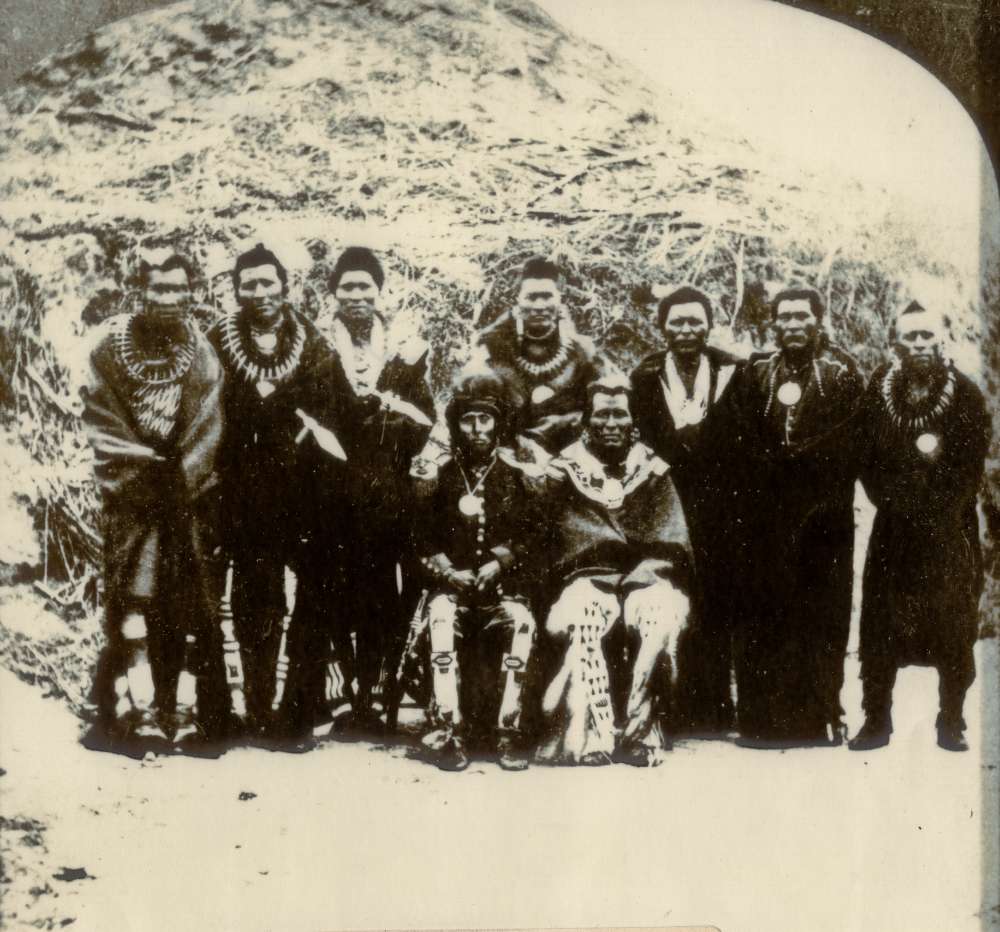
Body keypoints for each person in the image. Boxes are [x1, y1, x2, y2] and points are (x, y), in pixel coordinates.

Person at [208, 243, 355, 751]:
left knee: (312, 598)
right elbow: (209, 418)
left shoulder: (313, 346)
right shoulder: (217, 344)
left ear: (285, 287)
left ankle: (297, 712)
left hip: (304, 494)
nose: (260, 293)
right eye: (249, 284)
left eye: (268, 283)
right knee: (255, 598)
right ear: (236, 291)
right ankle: (256, 707)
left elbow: (336, 417)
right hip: (243, 496)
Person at [81, 250, 228, 755]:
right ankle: (136, 713)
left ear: (193, 293)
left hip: (187, 497)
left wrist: (181, 476)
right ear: (137, 291)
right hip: (133, 496)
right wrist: (143, 470)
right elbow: (102, 420)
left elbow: (207, 424)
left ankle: (184, 714)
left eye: (177, 289)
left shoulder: (202, 354)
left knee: (188, 605)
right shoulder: (107, 348)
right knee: (134, 603)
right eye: (157, 289)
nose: (167, 299)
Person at [849, 302, 989, 752]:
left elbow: (968, 468)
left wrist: (935, 512)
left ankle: (952, 722)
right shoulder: (878, 391)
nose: (920, 345)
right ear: (895, 344)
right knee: (881, 625)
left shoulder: (964, 395)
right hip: (894, 532)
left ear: (942, 340)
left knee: (952, 624)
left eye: (928, 336)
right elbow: (866, 459)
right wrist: (895, 502)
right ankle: (876, 720)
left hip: (949, 530)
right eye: (910, 338)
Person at [535, 376, 693, 767]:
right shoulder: (564, 470)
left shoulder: (652, 470)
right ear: (586, 420)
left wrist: (642, 576)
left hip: (646, 574)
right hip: (586, 574)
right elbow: (553, 538)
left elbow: (671, 538)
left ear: (632, 421)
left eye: (619, 414)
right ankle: (595, 735)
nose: (610, 423)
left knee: (659, 613)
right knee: (585, 614)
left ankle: (642, 733)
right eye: (601, 414)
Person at [731, 287, 864, 747]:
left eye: (802, 317)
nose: (792, 325)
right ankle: (762, 722)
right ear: (773, 323)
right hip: (767, 516)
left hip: (824, 517)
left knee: (822, 617)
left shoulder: (842, 372)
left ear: (818, 321)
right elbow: (740, 432)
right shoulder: (755, 371)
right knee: (767, 613)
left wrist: (801, 466)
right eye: (784, 317)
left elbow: (852, 440)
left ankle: (823, 715)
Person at [322, 246, 435, 733]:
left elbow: (425, 418)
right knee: (334, 589)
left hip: (388, 490)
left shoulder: (404, 352)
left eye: (364, 286)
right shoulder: (318, 347)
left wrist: (392, 413)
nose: (356, 296)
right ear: (333, 294)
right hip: (332, 488)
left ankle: (376, 688)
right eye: (347, 287)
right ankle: (339, 694)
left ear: (378, 291)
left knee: (380, 593)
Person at [409, 371, 543, 771]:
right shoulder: (440, 474)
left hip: (503, 592)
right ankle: (449, 730)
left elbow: (535, 533)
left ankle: (509, 731)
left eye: (486, 420)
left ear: (499, 424)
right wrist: (448, 570)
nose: (478, 429)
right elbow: (419, 535)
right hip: (452, 590)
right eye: (469, 420)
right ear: (456, 424)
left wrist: (500, 560)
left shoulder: (517, 473)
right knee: (442, 618)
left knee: (521, 625)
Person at [630, 285, 743, 733]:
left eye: (695, 321)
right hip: (668, 502)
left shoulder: (733, 371)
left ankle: (717, 705)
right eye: (676, 322)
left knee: (718, 600)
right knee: (677, 596)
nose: (686, 330)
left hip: (722, 504)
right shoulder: (645, 377)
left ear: (708, 325)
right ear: (662, 328)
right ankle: (673, 705)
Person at [471, 256, 605, 460]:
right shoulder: (493, 345)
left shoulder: (581, 350)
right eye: (532, 297)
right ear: (518, 301)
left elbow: (601, 401)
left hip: (570, 451)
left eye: (547, 296)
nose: (540, 305)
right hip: (507, 450)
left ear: (560, 300)